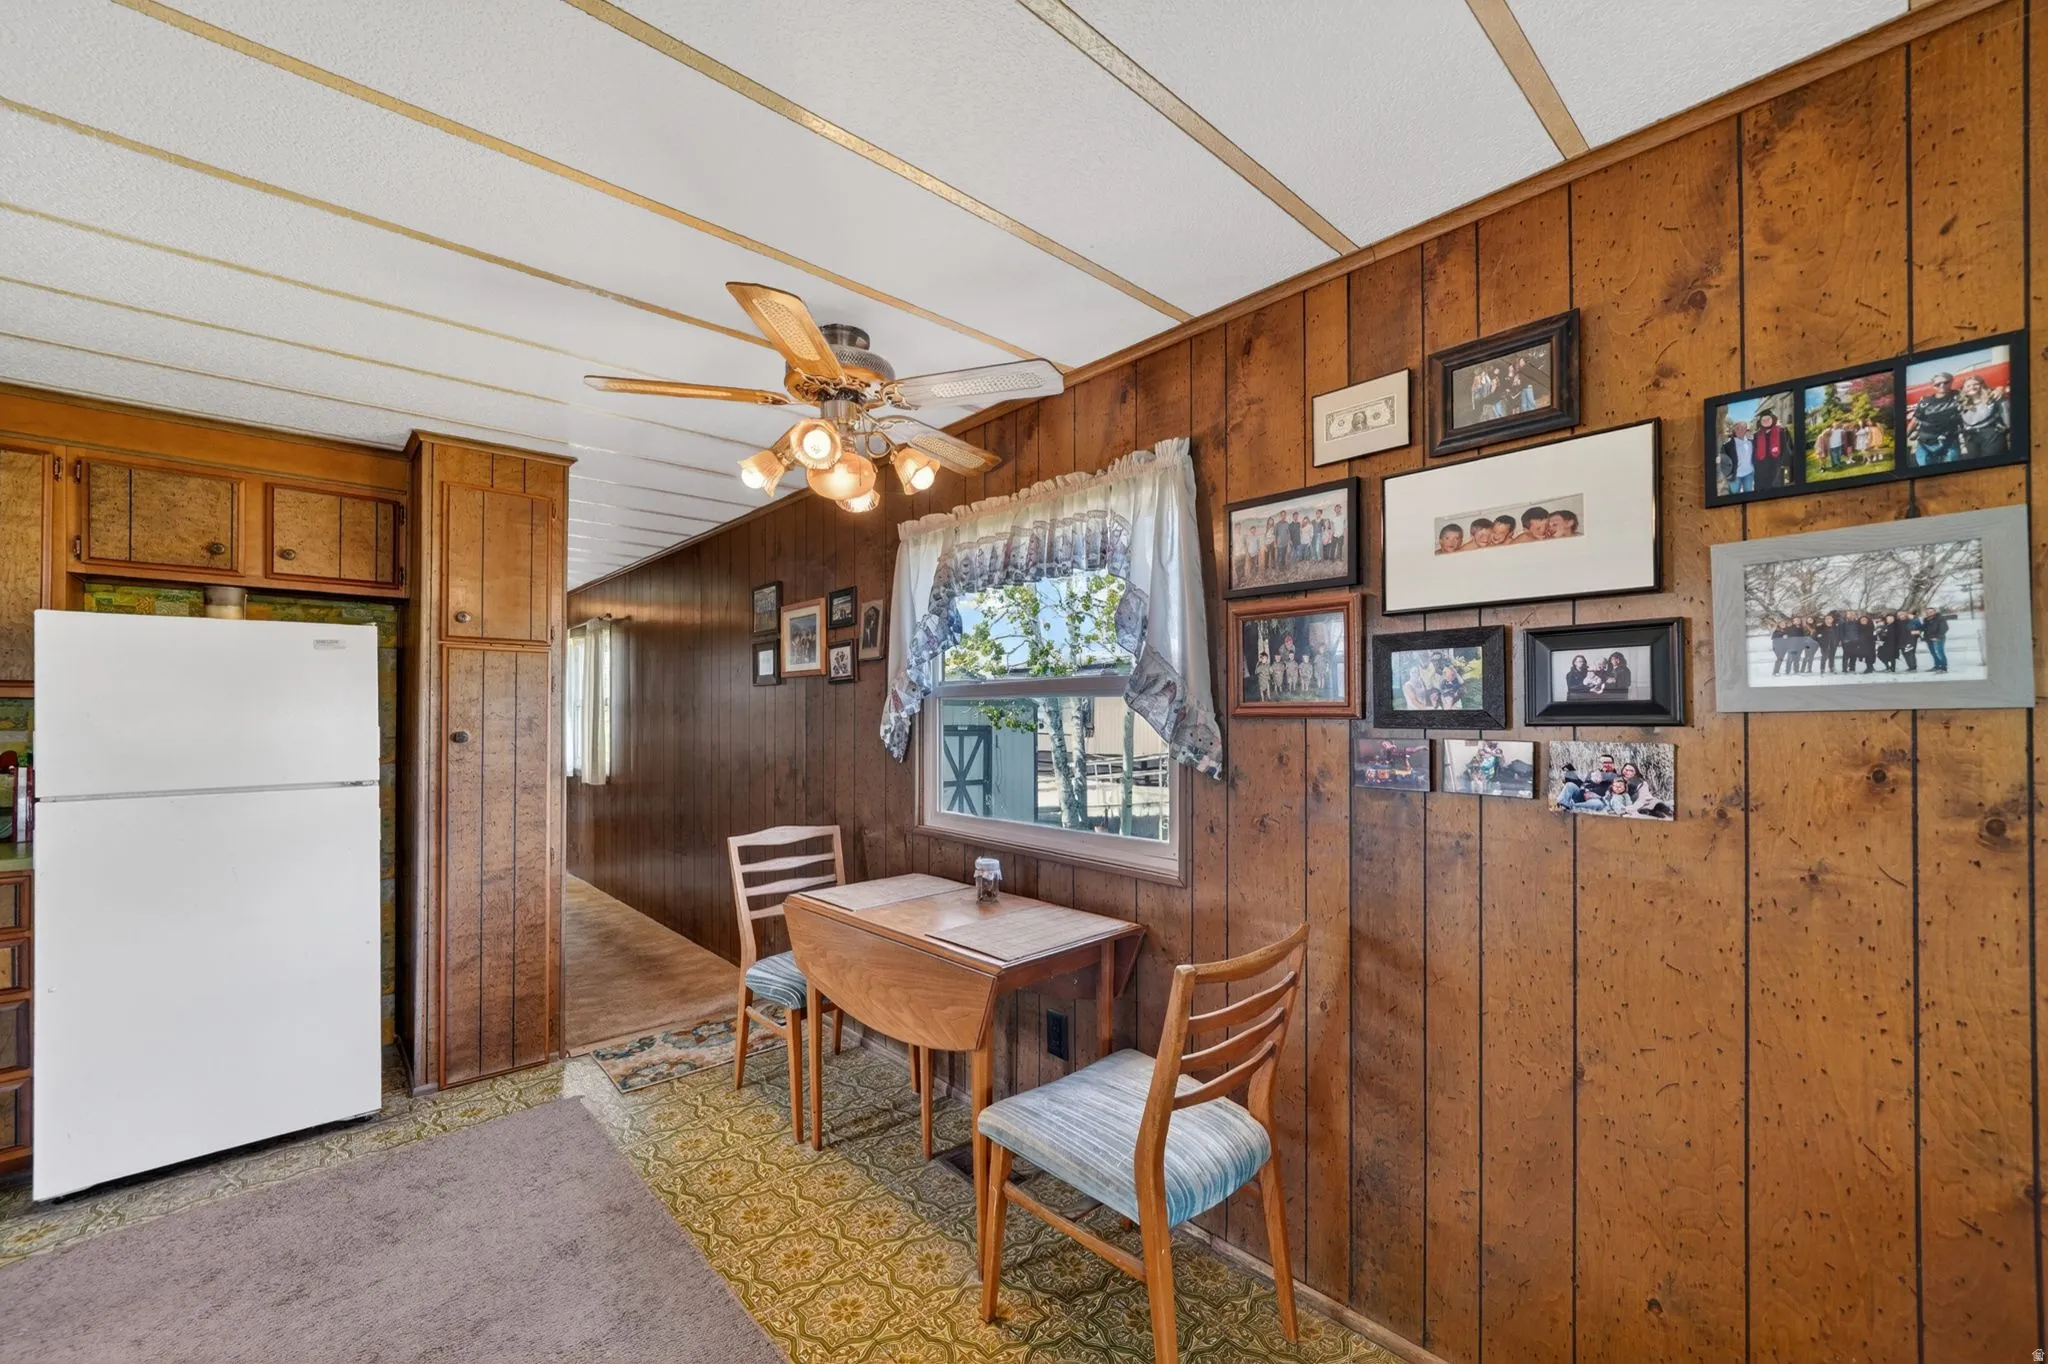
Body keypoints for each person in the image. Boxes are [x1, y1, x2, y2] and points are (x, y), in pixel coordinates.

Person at [1910, 371, 1963, 466]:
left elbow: (1983, 391)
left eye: (1945, 382)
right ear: (1933, 386)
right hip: (1925, 444)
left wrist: (1999, 389)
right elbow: (1915, 420)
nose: (1942, 385)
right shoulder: (1925, 401)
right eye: (1938, 384)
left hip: (1949, 442)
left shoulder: (1959, 395)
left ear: (1951, 382)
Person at [1959, 374, 2009, 463]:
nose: (1972, 387)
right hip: (1971, 438)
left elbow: (2007, 418)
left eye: (1975, 384)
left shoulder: (1995, 397)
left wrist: (2000, 389)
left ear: (1982, 385)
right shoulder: (1961, 403)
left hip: (1992, 436)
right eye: (1968, 386)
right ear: (1964, 389)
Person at [1754, 410, 1790, 488]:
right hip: (1761, 473)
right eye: (1763, 420)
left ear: (1773, 419)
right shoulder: (1756, 436)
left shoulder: (1782, 432)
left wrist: (1786, 477)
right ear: (1760, 422)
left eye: (1768, 419)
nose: (1766, 421)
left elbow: (1788, 453)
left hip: (1778, 469)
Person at [1722, 420, 1756, 494]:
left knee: (1749, 496)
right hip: (1735, 476)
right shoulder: (1727, 445)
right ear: (1734, 430)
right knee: (1734, 498)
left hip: (1749, 474)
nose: (1740, 430)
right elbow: (1724, 461)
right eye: (1738, 428)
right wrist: (1727, 474)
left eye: (1743, 428)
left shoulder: (1751, 442)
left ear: (1746, 430)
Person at [1921, 606, 1950, 673]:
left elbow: (1944, 628)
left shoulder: (1940, 618)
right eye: (1927, 612)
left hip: (1938, 639)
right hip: (1929, 639)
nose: (1929, 613)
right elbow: (1924, 628)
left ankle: (1943, 668)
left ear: (1934, 612)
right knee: (1933, 653)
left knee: (1940, 653)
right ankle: (1937, 666)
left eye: (1931, 612)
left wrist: (1937, 637)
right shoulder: (1926, 620)